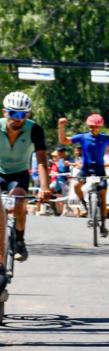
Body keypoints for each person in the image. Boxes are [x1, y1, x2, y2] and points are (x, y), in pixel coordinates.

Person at [0, 91, 51, 286]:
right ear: (5, 112)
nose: (17, 118)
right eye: (13, 113)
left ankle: (20, 240)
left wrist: (44, 187)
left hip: (19, 174)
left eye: (22, 114)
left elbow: (42, 162)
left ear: (27, 115)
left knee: (19, 199)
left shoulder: (34, 129)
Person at [57, 112, 109, 236]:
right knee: (76, 185)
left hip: (99, 169)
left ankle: (103, 225)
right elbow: (64, 140)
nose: (93, 129)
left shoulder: (105, 137)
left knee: (103, 194)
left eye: (96, 127)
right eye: (91, 126)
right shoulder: (83, 137)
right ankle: (83, 203)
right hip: (86, 168)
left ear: (100, 127)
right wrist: (61, 126)